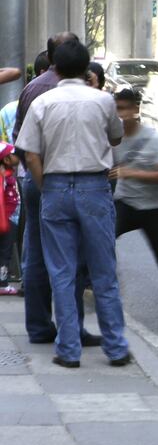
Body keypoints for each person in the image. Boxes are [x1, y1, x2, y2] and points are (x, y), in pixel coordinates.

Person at [16, 39, 129, 369]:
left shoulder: (43, 102)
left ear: (54, 66)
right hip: (95, 186)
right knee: (104, 272)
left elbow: (31, 154)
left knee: (61, 273)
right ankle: (116, 347)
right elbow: (116, 137)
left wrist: (45, 185)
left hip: (56, 187)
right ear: (86, 68)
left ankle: (68, 349)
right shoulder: (103, 101)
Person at [11, 33, 98, 347]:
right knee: (72, 256)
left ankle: (38, 326)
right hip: (70, 180)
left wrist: (38, 177)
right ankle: (72, 328)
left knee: (35, 251)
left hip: (36, 180)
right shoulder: (91, 94)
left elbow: (20, 141)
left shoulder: (33, 88)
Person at [111, 88, 158, 332]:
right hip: (125, 203)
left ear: (135, 110)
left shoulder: (154, 138)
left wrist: (130, 172)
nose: (120, 115)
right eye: (116, 109)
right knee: (101, 242)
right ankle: (103, 295)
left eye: (124, 109)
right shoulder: (113, 138)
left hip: (154, 207)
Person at [0, 143, 18, 295]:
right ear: (6, 160)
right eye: (14, 154)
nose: (17, 156)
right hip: (6, 219)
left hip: (11, 218)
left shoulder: (8, 174)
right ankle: (3, 283)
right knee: (5, 252)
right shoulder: (3, 177)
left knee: (6, 250)